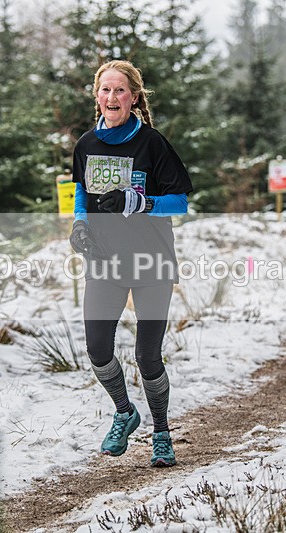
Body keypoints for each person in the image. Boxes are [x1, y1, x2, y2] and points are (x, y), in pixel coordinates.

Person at [69, 60, 193, 467]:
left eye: (120, 91)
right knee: (98, 348)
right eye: (105, 90)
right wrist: (81, 225)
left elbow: (180, 202)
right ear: (97, 96)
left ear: (134, 98)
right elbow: (82, 192)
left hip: (151, 261)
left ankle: (161, 432)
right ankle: (125, 411)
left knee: (147, 355)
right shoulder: (87, 143)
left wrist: (140, 201)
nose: (112, 98)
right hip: (104, 260)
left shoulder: (152, 143)